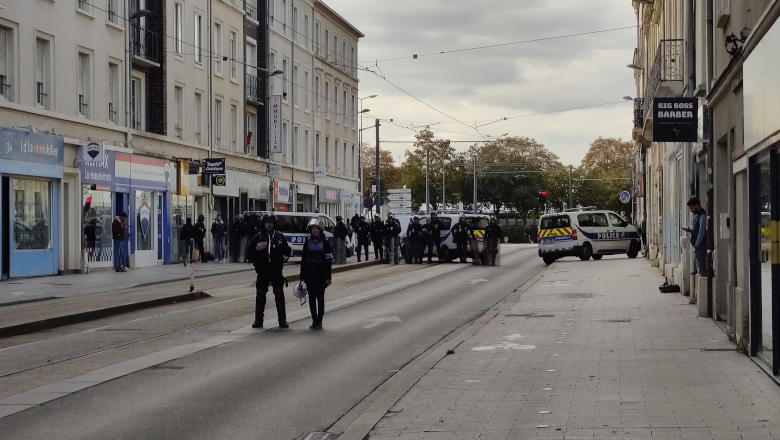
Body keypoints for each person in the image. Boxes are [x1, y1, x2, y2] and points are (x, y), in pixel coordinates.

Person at [248, 213, 292, 328]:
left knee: (279, 294)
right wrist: (256, 249)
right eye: (267, 223)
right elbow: (248, 252)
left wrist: (280, 246)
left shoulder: (279, 236)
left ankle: (282, 320)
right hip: (262, 270)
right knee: (260, 294)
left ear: (274, 224)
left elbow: (288, 251)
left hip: (276, 270)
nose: (269, 225)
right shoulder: (257, 237)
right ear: (263, 224)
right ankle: (258, 320)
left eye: (271, 223)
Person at [299, 218, 333, 329]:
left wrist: (328, 277)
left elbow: (328, 262)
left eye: (316, 228)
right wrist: (302, 277)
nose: (314, 231)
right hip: (310, 275)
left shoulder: (325, 243)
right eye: (313, 228)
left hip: (321, 275)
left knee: (320, 298)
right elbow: (303, 260)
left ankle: (320, 320)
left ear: (320, 229)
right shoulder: (307, 243)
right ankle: (314, 320)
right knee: (311, 299)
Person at [683, 197, 707, 278]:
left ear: (696, 205)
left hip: (700, 247)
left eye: (691, 208)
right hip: (697, 246)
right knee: (699, 267)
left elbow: (701, 232)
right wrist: (690, 230)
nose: (691, 210)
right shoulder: (698, 216)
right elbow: (697, 231)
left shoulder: (702, 216)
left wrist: (697, 245)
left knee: (702, 269)